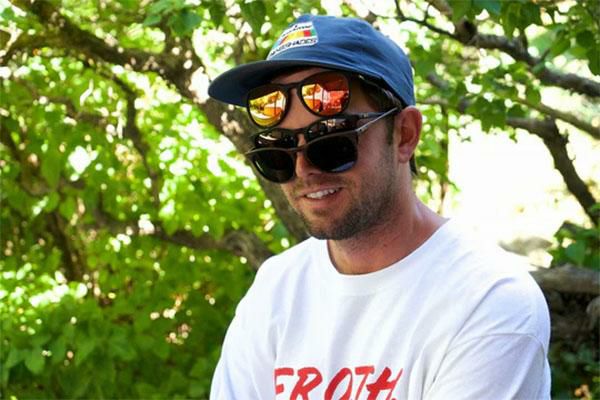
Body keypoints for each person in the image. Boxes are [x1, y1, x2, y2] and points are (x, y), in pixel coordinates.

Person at [207, 14, 551, 399]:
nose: (303, 171)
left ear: (405, 135)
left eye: (332, 144)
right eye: (279, 152)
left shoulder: (489, 298)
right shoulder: (275, 289)